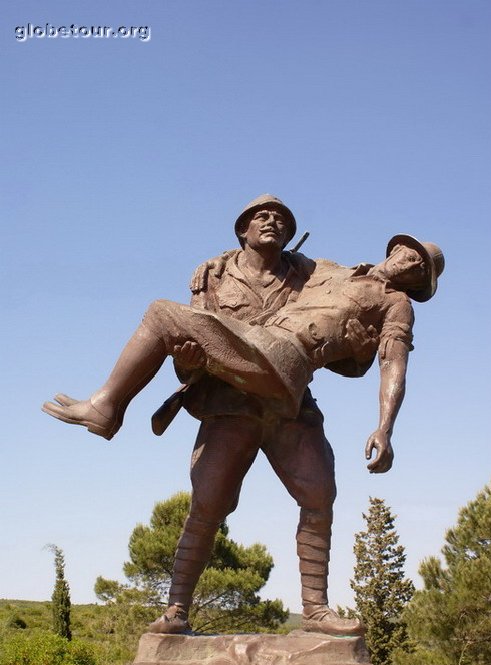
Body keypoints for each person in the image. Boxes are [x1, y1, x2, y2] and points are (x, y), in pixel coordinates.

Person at [42, 196, 444, 636]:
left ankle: (315, 610)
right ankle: (176, 610)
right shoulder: (322, 269)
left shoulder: (377, 297)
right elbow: (196, 352)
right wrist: (202, 298)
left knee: (161, 314)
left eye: (420, 265)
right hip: (232, 398)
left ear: (419, 283)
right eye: (407, 251)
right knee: (213, 503)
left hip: (282, 377)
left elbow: (389, 363)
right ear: (392, 250)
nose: (409, 260)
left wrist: (384, 426)